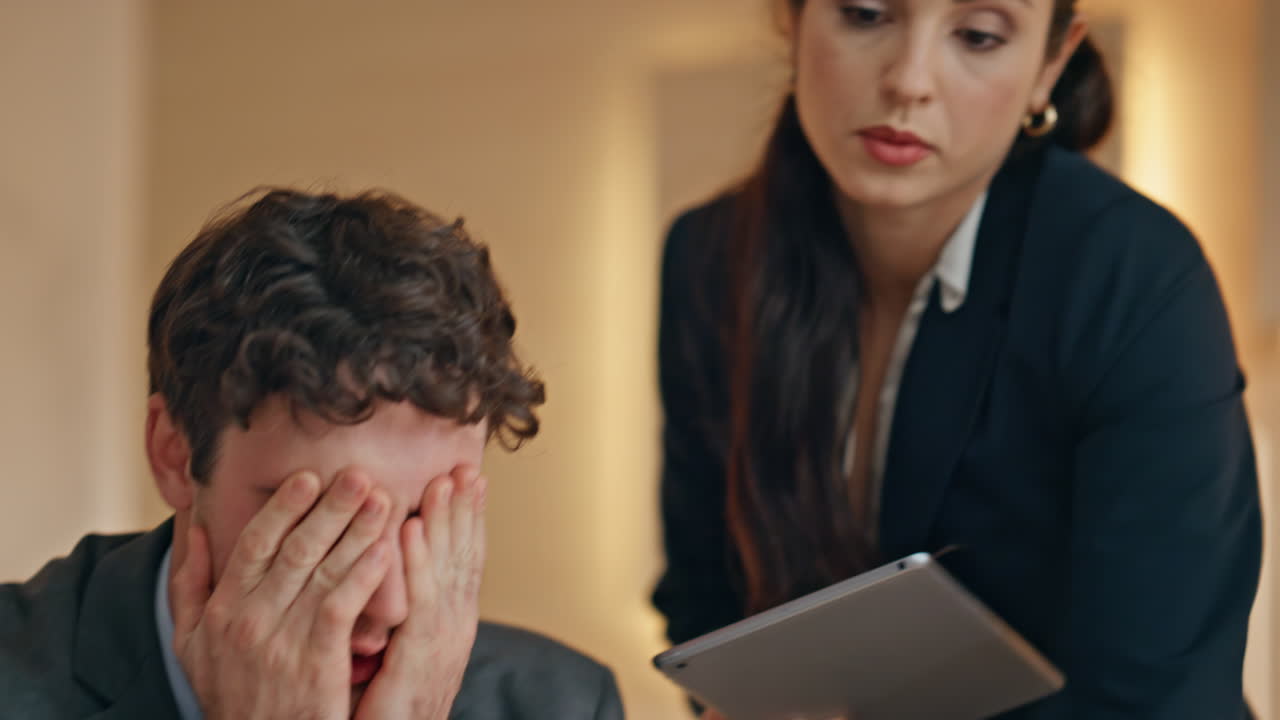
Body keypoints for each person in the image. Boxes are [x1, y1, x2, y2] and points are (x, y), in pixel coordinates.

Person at [652, 0, 1263, 717]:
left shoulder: (1135, 278)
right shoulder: (711, 256)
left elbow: (1161, 691)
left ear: (1051, 64)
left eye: (978, 36)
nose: (909, 81)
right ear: (790, 18)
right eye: (866, 13)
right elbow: (708, 604)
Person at [0, 188, 624, 719]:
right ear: (174, 453)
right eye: (327, 520)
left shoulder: (562, 704)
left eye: (421, 521)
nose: (387, 607)